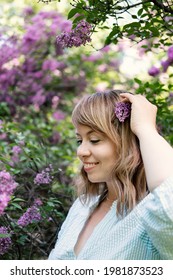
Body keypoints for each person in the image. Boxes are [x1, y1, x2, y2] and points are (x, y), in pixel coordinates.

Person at [48, 90, 173, 260]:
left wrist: (145, 129)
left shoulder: (151, 216)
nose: (81, 151)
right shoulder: (83, 205)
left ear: (127, 144)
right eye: (80, 140)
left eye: (94, 140)